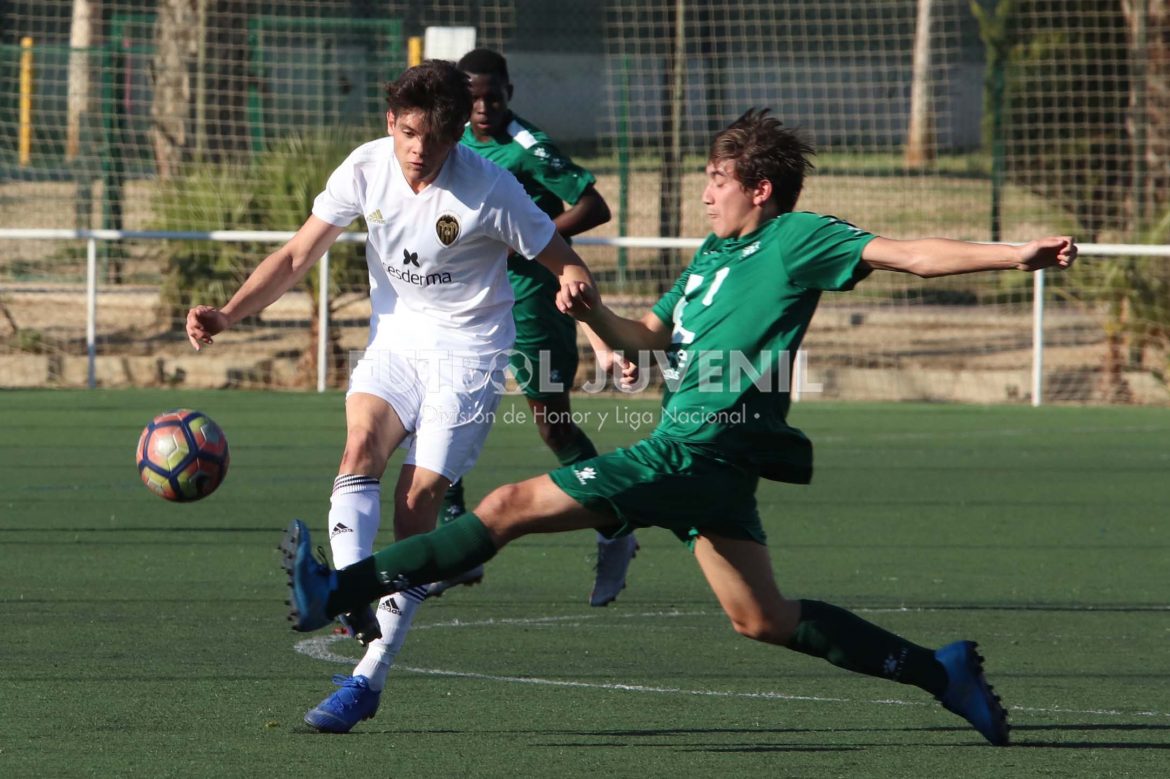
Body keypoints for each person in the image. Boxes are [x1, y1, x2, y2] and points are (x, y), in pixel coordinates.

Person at [279, 108, 1078, 745]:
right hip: (713, 467)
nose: (705, 193)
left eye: (716, 180)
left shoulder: (798, 240)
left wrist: (1015, 255)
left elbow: (913, 254)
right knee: (761, 617)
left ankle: (341, 589)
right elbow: (649, 335)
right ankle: (944, 675)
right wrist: (595, 314)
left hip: (692, 448)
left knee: (507, 507)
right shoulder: (708, 256)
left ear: (760, 189)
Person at [187, 60, 611, 734]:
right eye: (409, 133)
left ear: (454, 138)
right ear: (391, 124)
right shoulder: (366, 167)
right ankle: (354, 594)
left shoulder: (490, 188)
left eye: (435, 138)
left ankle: (368, 676)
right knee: (359, 447)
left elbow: (563, 256)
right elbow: (298, 254)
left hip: (469, 353)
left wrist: (578, 292)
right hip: (396, 343)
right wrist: (230, 314)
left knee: (416, 506)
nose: (419, 150)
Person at [426, 48, 637, 607]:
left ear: (509, 93)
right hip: (469, 306)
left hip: (531, 306)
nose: (482, 107)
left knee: (554, 427)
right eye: (472, 97)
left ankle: (615, 520)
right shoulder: (451, 139)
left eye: (492, 96)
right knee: (444, 406)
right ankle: (455, 549)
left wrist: (529, 237)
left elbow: (593, 206)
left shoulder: (529, 147)